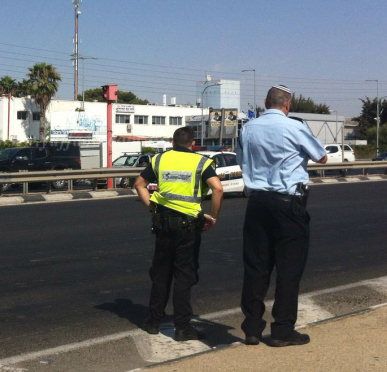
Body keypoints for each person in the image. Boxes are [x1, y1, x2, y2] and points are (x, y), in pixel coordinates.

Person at [236, 85, 328, 347]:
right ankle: (282, 330)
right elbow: (321, 157)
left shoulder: (248, 128)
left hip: (257, 202)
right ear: (288, 105)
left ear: (266, 103)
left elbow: (241, 160)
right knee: (289, 269)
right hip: (288, 204)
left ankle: (252, 328)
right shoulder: (294, 127)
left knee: (256, 266)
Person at [134, 126, 224, 341]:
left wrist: (153, 208)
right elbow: (218, 189)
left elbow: (139, 184)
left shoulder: (159, 159)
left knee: (161, 273)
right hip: (188, 227)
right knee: (184, 276)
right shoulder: (201, 162)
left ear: (172, 143)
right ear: (193, 144)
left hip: (163, 224)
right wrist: (213, 216)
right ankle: (182, 327)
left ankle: (153, 321)